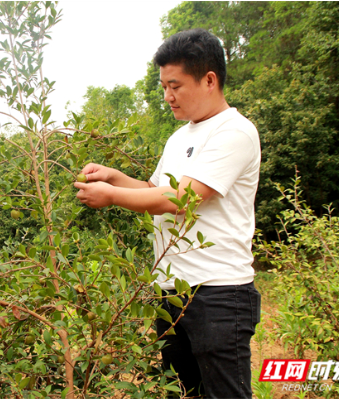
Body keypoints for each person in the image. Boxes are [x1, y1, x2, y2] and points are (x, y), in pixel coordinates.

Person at [74, 28, 261, 398]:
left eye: (175, 86)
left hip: (218, 294)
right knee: (180, 391)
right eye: (163, 87)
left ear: (209, 80)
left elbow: (183, 198)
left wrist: (111, 195)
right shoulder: (180, 137)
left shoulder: (234, 131)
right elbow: (152, 189)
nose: (167, 96)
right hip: (172, 293)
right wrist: (116, 177)